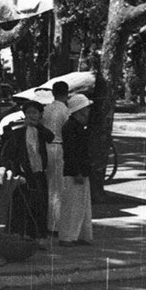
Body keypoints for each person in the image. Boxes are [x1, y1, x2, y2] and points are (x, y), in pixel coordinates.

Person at [0, 100, 53, 241]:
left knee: (39, 205)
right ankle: (17, 235)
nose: (31, 116)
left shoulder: (41, 132)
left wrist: (39, 127)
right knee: (21, 205)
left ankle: (36, 236)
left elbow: (51, 137)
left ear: (40, 115)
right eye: (28, 113)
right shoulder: (18, 132)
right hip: (23, 174)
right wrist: (13, 170)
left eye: (34, 113)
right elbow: (7, 154)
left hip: (39, 172)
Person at [57, 94, 94, 247]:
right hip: (74, 171)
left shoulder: (76, 126)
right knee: (72, 205)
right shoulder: (71, 127)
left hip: (79, 169)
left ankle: (80, 234)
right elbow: (72, 152)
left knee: (82, 204)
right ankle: (67, 236)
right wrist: (77, 171)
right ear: (80, 111)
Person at [41, 80, 71, 236]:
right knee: (57, 187)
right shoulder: (66, 111)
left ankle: (45, 221)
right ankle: (54, 225)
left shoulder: (46, 109)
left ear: (53, 93)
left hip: (45, 148)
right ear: (66, 93)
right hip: (59, 147)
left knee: (46, 185)